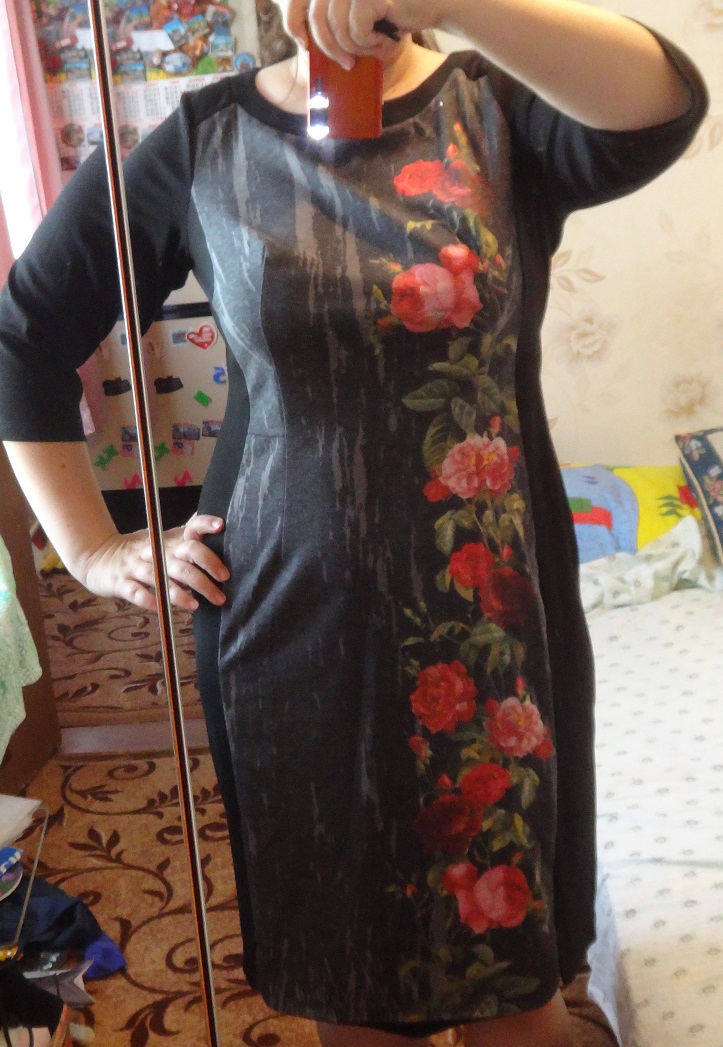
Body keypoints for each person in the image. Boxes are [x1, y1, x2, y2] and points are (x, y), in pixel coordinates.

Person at [0, 2, 708, 1045]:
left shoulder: (501, 115)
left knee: (518, 996)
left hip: (497, 628)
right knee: (354, 990)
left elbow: (663, 105)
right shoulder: (200, 143)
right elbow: (23, 335)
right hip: (289, 633)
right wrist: (91, 548)